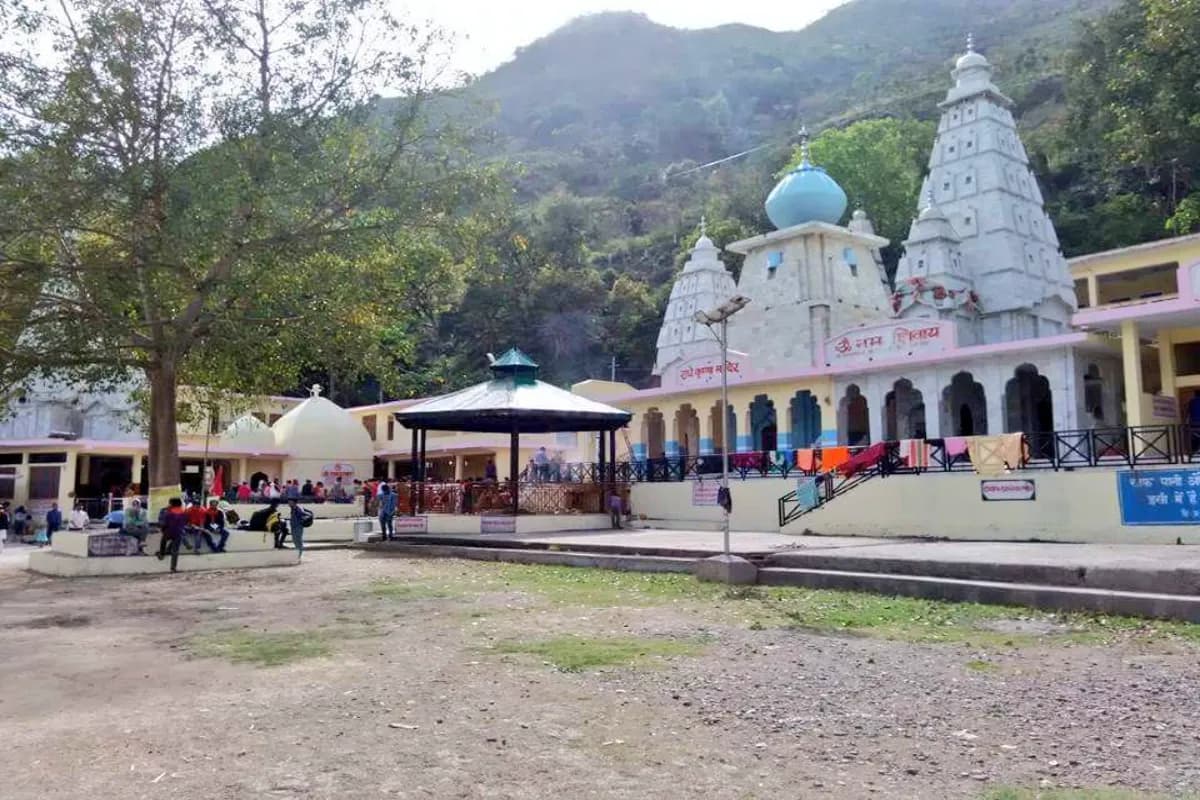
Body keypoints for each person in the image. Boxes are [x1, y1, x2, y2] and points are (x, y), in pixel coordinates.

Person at [156, 498, 188, 572]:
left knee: (163, 541)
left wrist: (162, 529)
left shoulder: (169, 512)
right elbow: (185, 522)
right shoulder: (184, 512)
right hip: (179, 532)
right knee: (175, 551)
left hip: (169, 531)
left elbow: (165, 523)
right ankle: (173, 568)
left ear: (172, 504)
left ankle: (161, 554)